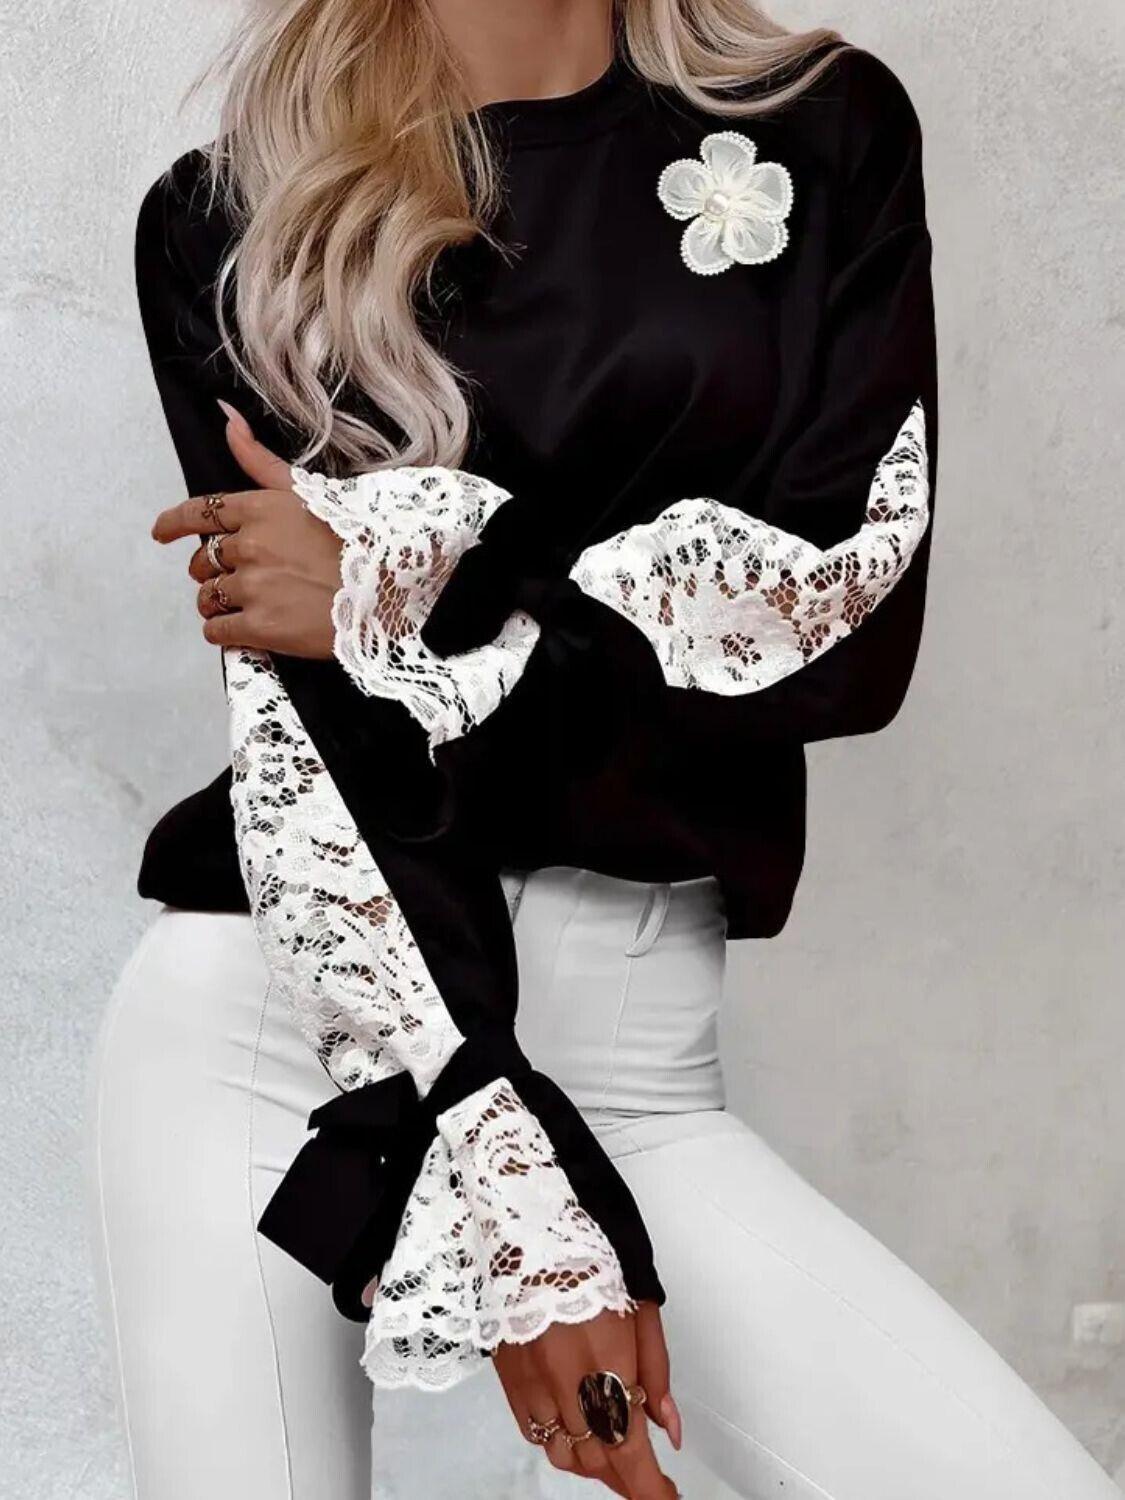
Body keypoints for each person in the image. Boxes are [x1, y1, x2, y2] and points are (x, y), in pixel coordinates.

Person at [84, 3, 1122, 1498]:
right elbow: (324, 736)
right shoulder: (233, 218)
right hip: (294, 1017)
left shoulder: (823, 128)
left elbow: (845, 617)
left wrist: (407, 589)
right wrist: (513, 1192)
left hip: (635, 1056)